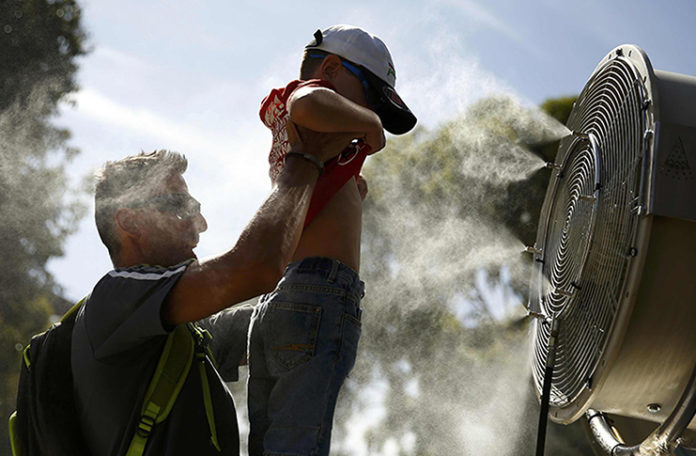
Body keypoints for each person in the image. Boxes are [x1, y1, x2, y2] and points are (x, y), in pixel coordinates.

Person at [70, 125, 355, 456]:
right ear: (129, 222)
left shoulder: (183, 337)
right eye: (181, 207)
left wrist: (330, 213)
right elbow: (254, 268)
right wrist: (306, 159)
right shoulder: (115, 299)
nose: (201, 224)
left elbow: (297, 321)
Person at [248, 24, 417, 456]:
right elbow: (310, 101)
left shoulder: (318, 144)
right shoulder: (308, 97)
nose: (369, 114)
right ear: (331, 68)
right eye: (371, 99)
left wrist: (352, 189)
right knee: (298, 438)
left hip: (284, 293)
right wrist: (370, 123)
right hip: (321, 291)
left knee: (272, 437)